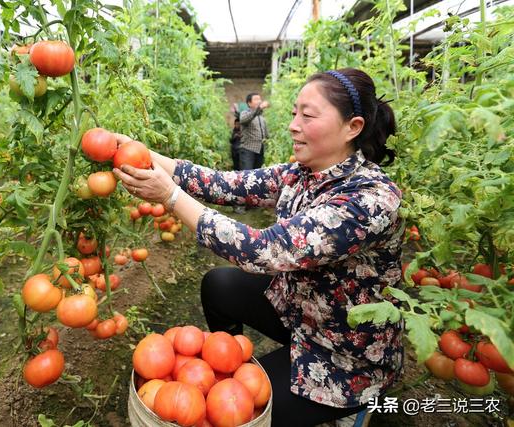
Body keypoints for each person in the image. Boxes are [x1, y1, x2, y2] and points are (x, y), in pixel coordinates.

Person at [113, 68, 403, 426]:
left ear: (353, 127)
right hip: (300, 311)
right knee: (219, 285)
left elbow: (263, 250)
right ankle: (229, 364)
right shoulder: (300, 173)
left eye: (307, 115)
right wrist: (142, 154)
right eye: (294, 112)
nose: (293, 124)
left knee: (241, 414)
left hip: (343, 351)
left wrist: (171, 197)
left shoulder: (370, 199)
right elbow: (224, 184)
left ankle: (351, 408)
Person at [238, 92, 270, 171]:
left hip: (260, 150)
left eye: (260, 99)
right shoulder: (245, 113)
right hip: (248, 150)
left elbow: (266, 134)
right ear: (249, 103)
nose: (259, 101)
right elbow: (244, 120)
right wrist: (259, 108)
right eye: (256, 99)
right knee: (247, 175)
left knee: (258, 175)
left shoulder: (261, 117)